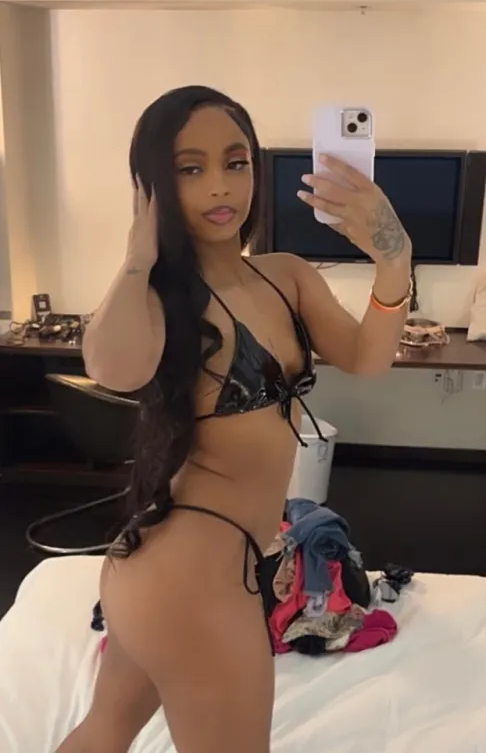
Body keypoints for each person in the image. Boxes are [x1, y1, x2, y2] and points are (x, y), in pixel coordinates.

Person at [57, 85, 411, 753]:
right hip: (191, 580)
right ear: (153, 186)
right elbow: (113, 368)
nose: (220, 184)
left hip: (166, 573)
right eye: (190, 168)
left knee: (104, 733)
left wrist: (395, 256)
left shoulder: (286, 277)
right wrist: (137, 258)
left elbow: (367, 358)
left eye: (236, 161)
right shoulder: (161, 298)